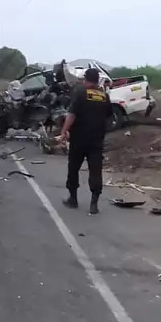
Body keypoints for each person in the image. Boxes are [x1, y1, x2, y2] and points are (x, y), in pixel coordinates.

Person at [60, 68, 113, 215]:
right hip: (96, 140)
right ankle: (94, 204)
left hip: (79, 139)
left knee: (73, 168)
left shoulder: (80, 93)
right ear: (97, 80)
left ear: (85, 79)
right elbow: (109, 116)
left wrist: (64, 132)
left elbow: (71, 115)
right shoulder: (104, 96)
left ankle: (73, 199)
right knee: (95, 170)